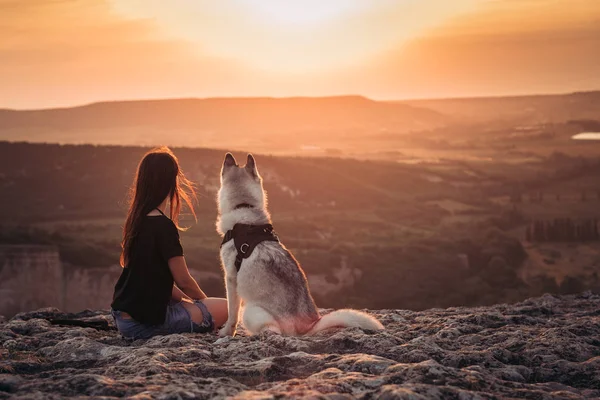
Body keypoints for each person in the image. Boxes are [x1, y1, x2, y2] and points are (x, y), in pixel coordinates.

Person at [111, 147, 228, 340]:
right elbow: (184, 281)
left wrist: (187, 301)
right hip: (144, 324)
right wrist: (204, 305)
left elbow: (155, 279)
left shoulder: (136, 220)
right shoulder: (163, 226)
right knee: (229, 308)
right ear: (170, 183)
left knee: (190, 304)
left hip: (123, 319)